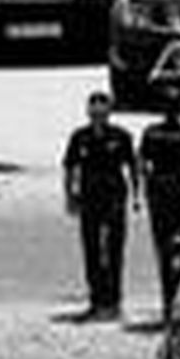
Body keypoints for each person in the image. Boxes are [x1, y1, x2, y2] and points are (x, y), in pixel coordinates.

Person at [61, 89, 140, 321]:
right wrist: (70, 196)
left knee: (114, 250)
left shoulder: (121, 136)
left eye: (102, 111)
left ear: (109, 112)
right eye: (93, 111)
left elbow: (132, 167)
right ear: (88, 112)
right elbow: (69, 167)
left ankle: (114, 302)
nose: (97, 116)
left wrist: (136, 196)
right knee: (92, 250)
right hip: (89, 199)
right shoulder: (79, 137)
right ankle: (96, 300)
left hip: (115, 198)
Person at [138, 86, 180, 321]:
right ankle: (177, 304)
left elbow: (142, 167)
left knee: (170, 253)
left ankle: (172, 304)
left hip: (166, 198)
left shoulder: (154, 133)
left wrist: (148, 191)